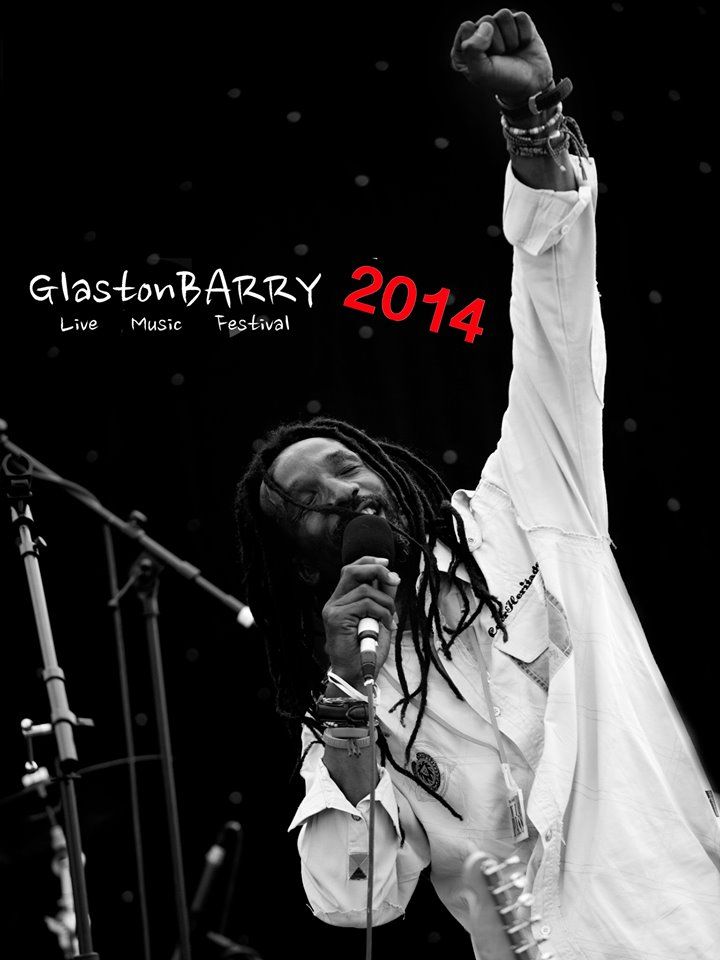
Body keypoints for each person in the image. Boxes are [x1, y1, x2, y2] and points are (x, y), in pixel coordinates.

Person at [234, 9, 720, 959]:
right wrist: (345, 700)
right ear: (301, 564)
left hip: (680, 912)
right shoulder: (354, 697)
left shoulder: (529, 503)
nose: (343, 494)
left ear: (387, 468)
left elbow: (554, 315)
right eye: (309, 506)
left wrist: (533, 130)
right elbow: (356, 898)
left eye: (346, 466)